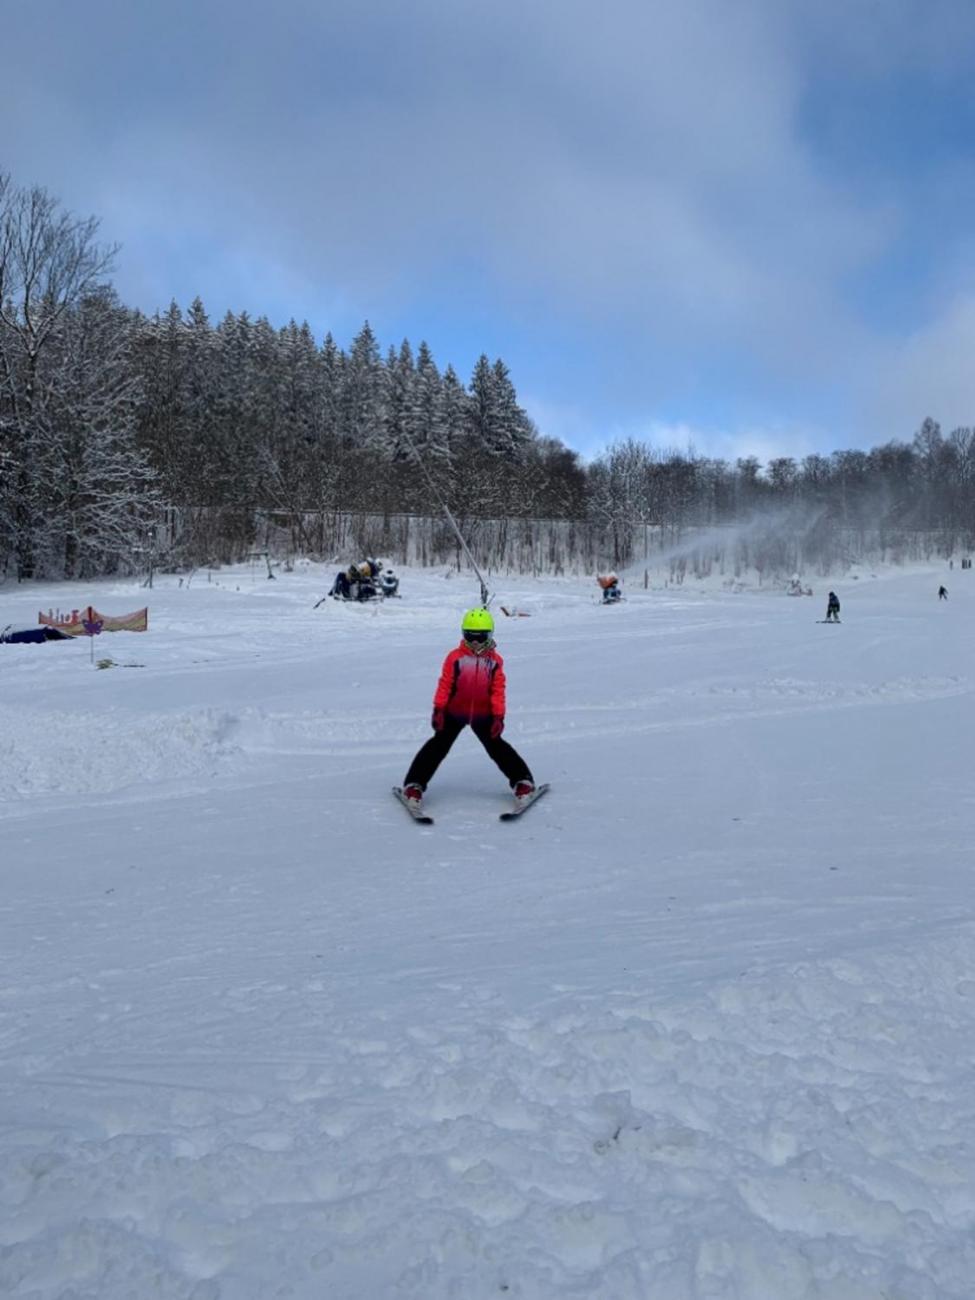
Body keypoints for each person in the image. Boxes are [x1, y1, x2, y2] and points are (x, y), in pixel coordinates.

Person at [400, 607, 535, 805]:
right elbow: (445, 684)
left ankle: (522, 781)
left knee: (497, 747)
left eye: (481, 638)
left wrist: (498, 716)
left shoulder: (495, 662)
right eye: (470, 637)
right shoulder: (455, 657)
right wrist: (439, 709)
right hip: (454, 712)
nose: (475, 643)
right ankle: (414, 785)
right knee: (438, 746)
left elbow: (498, 690)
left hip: (482, 714)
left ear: (489, 636)